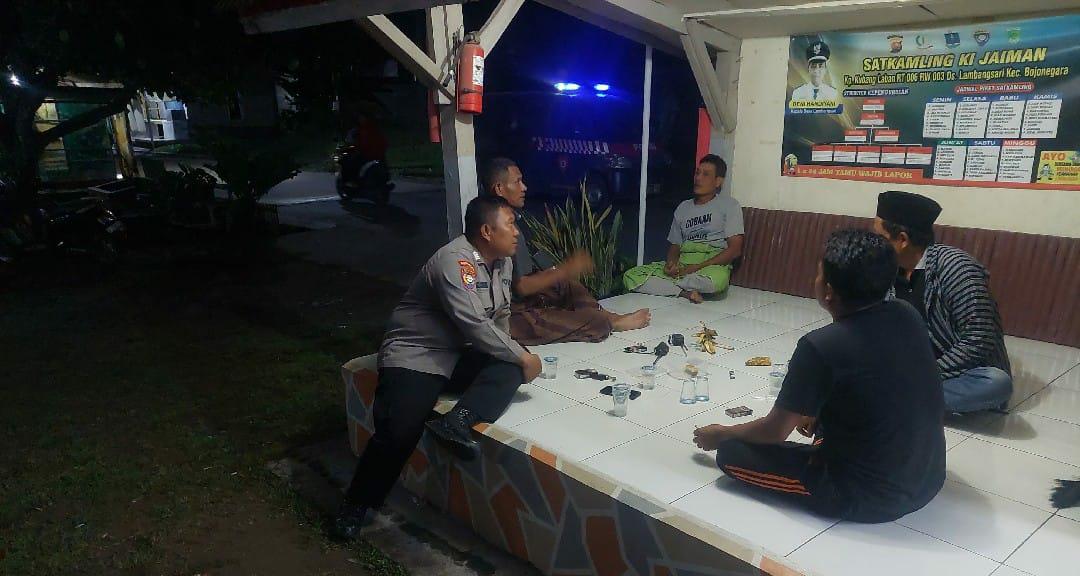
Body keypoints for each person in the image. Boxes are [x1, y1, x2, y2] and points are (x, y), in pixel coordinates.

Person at [693, 229, 945, 523]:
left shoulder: (820, 346)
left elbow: (774, 431)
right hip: (928, 477)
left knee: (731, 453)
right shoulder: (906, 313)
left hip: (869, 497)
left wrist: (722, 433)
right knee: (827, 409)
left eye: (818, 273)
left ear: (828, 291)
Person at [333, 195, 542, 540]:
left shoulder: (502, 263)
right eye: (510, 224)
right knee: (400, 430)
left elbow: (500, 317)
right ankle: (356, 505)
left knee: (510, 365)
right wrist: (521, 356)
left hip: (458, 352)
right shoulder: (454, 261)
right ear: (487, 231)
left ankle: (457, 421)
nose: (517, 231)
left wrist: (515, 355)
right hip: (418, 354)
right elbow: (474, 322)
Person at [873, 190, 1012, 413]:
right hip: (913, 366)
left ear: (902, 240)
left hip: (959, 370)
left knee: (996, 383)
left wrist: (924, 374)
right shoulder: (886, 270)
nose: (873, 245)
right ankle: (906, 396)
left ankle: (898, 397)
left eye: (879, 238)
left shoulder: (956, 268)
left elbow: (979, 339)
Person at [484, 158, 650, 344]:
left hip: (525, 298)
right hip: (512, 314)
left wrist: (558, 274)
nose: (524, 187)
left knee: (567, 285)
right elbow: (522, 287)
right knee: (594, 323)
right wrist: (567, 268)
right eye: (517, 182)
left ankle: (611, 317)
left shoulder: (514, 220)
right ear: (499, 189)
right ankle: (608, 322)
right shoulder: (495, 227)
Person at [622, 155, 743, 303]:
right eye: (697, 173)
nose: (698, 178)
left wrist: (697, 267)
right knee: (631, 276)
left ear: (718, 181)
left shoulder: (729, 205)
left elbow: (735, 250)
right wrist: (671, 265)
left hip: (710, 265)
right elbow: (675, 246)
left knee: (716, 281)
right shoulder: (683, 207)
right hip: (683, 264)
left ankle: (671, 286)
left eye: (705, 174)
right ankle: (683, 292)